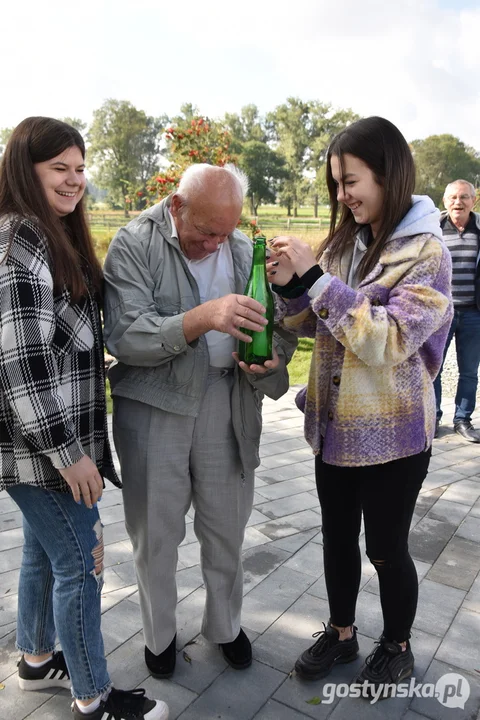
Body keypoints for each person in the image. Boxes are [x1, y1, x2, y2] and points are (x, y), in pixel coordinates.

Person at [267, 117, 453, 696]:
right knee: (337, 539)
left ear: (388, 173)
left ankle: (396, 644)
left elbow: (389, 340)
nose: (343, 196)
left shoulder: (428, 251)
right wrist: (286, 287)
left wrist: (317, 281)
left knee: (387, 549)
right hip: (333, 430)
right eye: (336, 184)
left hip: (395, 437)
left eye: (351, 181)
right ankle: (341, 632)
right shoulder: (344, 240)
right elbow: (307, 324)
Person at [0, 117, 168, 720]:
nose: (74, 182)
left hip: (45, 448)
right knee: (82, 561)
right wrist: (69, 456)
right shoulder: (20, 239)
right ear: (27, 168)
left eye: (79, 169)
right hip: (45, 451)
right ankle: (94, 697)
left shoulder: (50, 235)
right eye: (58, 170)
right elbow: (21, 366)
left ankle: (38, 660)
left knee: (45, 554)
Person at [102, 164, 295, 678]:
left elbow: (276, 330)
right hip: (154, 404)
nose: (215, 244)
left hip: (226, 400)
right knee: (155, 535)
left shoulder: (239, 249)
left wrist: (273, 360)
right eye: (205, 232)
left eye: (225, 232)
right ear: (176, 205)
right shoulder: (133, 244)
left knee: (227, 527)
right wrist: (203, 318)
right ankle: (159, 636)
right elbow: (125, 337)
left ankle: (225, 626)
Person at [433, 179, 480, 441]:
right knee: (434, 367)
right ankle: (434, 417)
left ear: (473, 201)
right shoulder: (432, 229)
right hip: (441, 313)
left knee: (469, 371)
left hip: (474, 312)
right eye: (452, 198)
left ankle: (463, 420)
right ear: (445, 201)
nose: (458, 202)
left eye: (464, 197)